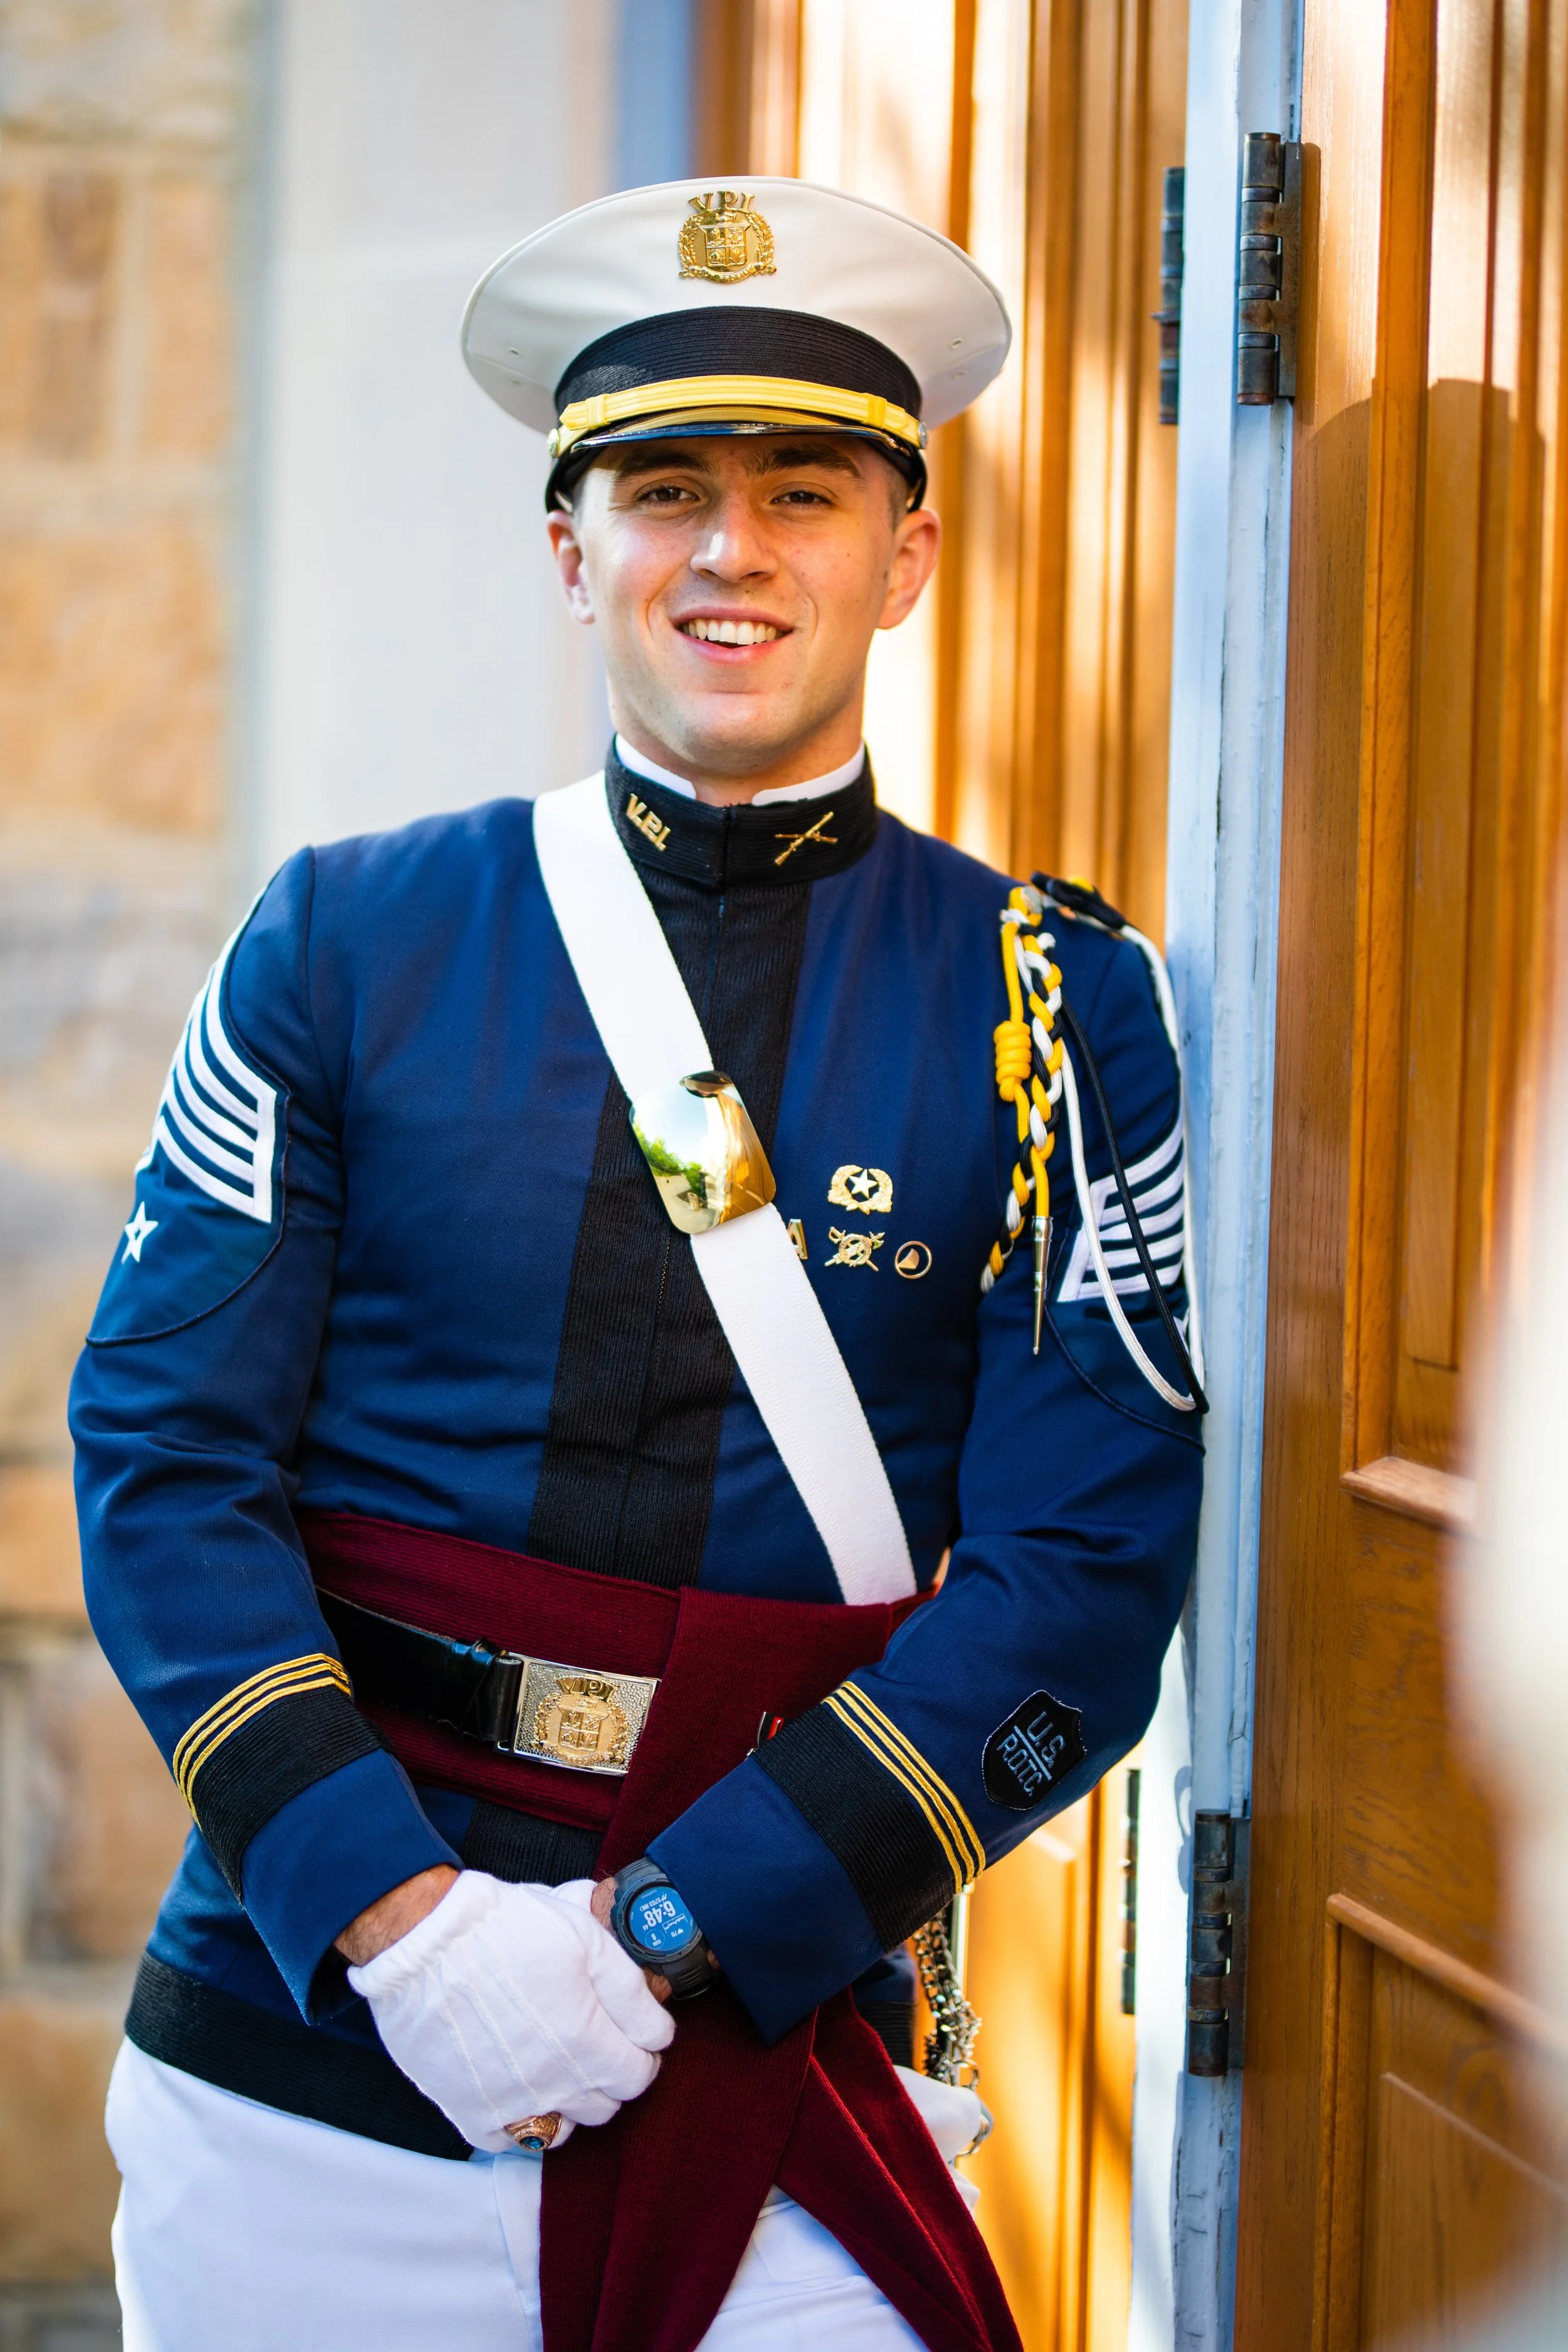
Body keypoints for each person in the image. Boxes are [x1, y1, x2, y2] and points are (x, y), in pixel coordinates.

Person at [70, 178, 1204, 2352]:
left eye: (804, 488)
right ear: (572, 547)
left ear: (908, 553)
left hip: (772, 2037)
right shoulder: (346, 936)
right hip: (309, 2046)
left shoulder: (1052, 1003)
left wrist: (657, 1931)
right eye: (663, 489)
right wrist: (403, 1925)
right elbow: (159, 1456)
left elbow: (1082, 1572)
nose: (730, 549)